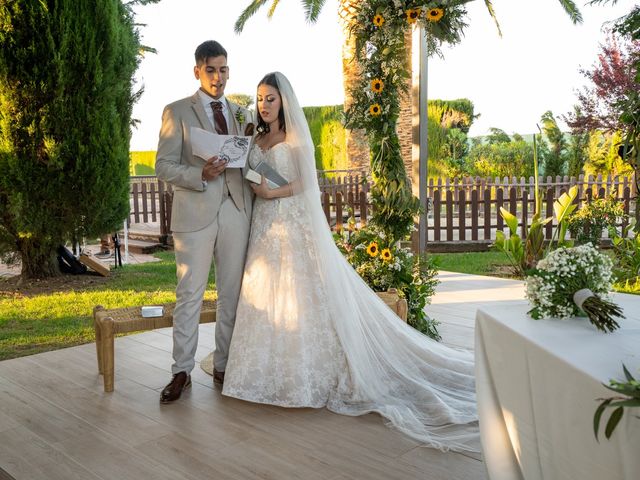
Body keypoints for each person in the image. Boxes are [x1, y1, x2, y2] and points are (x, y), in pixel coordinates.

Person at [221, 72, 480, 453]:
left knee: (300, 291)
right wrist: (255, 181)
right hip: (264, 224)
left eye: (271, 98)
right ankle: (260, 376)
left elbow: (308, 184)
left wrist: (273, 192)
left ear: (284, 101)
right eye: (260, 98)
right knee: (265, 288)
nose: (264, 105)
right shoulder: (256, 138)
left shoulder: (295, 138)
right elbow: (253, 173)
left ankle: (305, 375)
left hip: (289, 216)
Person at [155, 40, 254, 403]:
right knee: (189, 295)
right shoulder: (177, 111)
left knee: (231, 294)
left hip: (236, 211)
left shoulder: (243, 114)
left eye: (223, 69)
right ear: (197, 70)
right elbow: (163, 166)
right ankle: (181, 370)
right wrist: (201, 175)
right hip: (195, 213)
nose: (218, 76)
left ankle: (224, 364)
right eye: (211, 69)